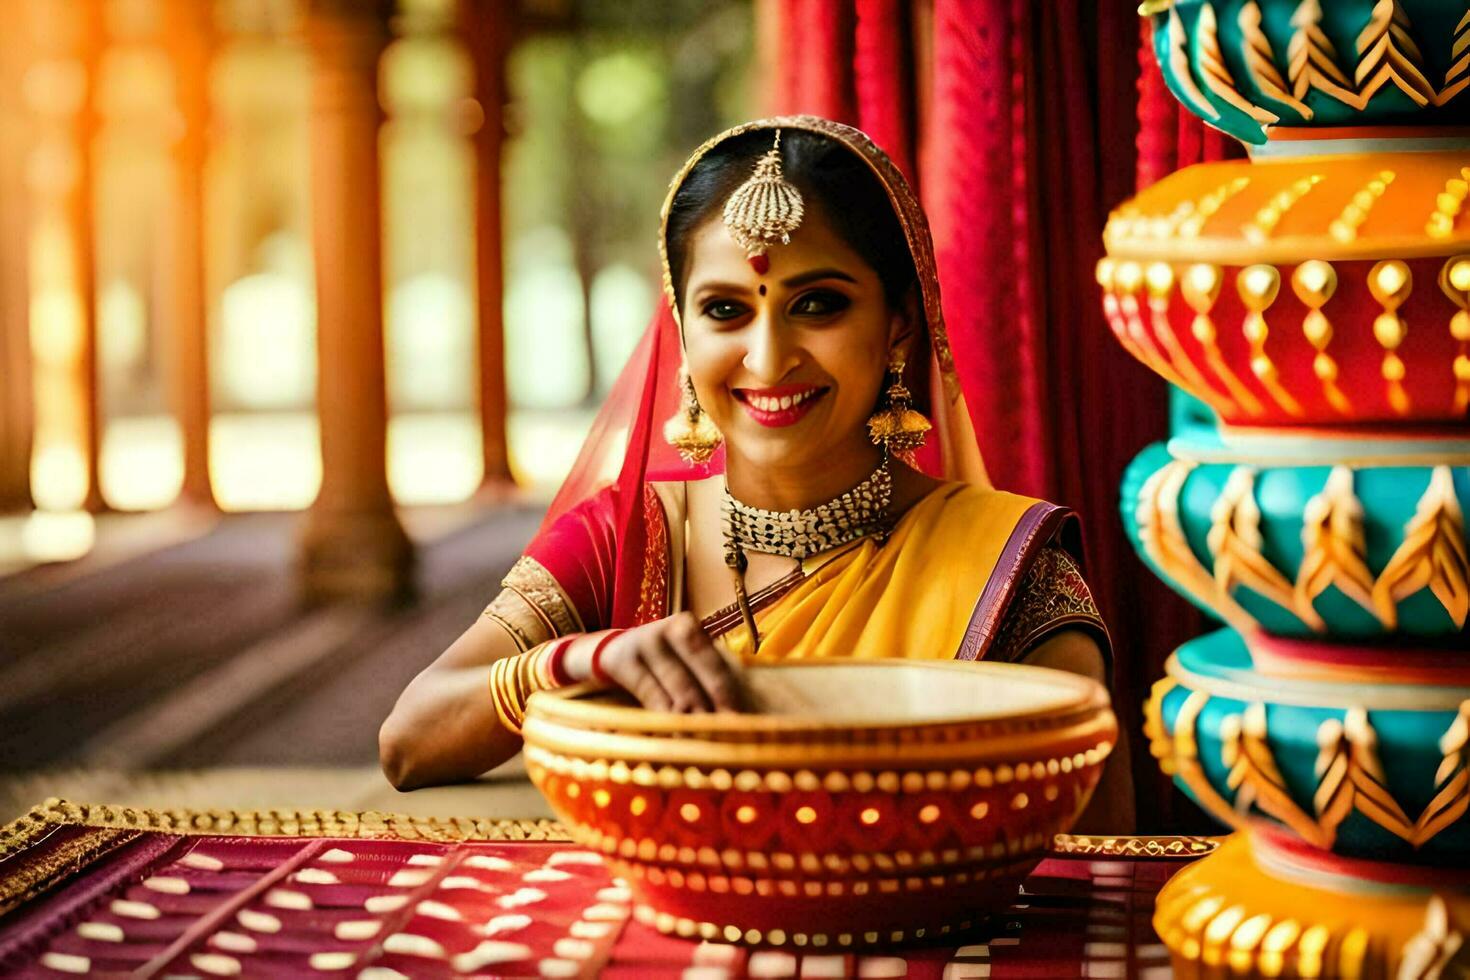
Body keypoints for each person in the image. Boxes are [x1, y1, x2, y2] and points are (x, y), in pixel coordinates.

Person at [380, 116, 1131, 829]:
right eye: (725, 310)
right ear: (683, 328)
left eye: (817, 305)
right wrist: (585, 658)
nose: (768, 360)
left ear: (898, 321)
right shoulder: (627, 536)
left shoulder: (1010, 571)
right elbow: (410, 740)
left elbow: (1094, 857)